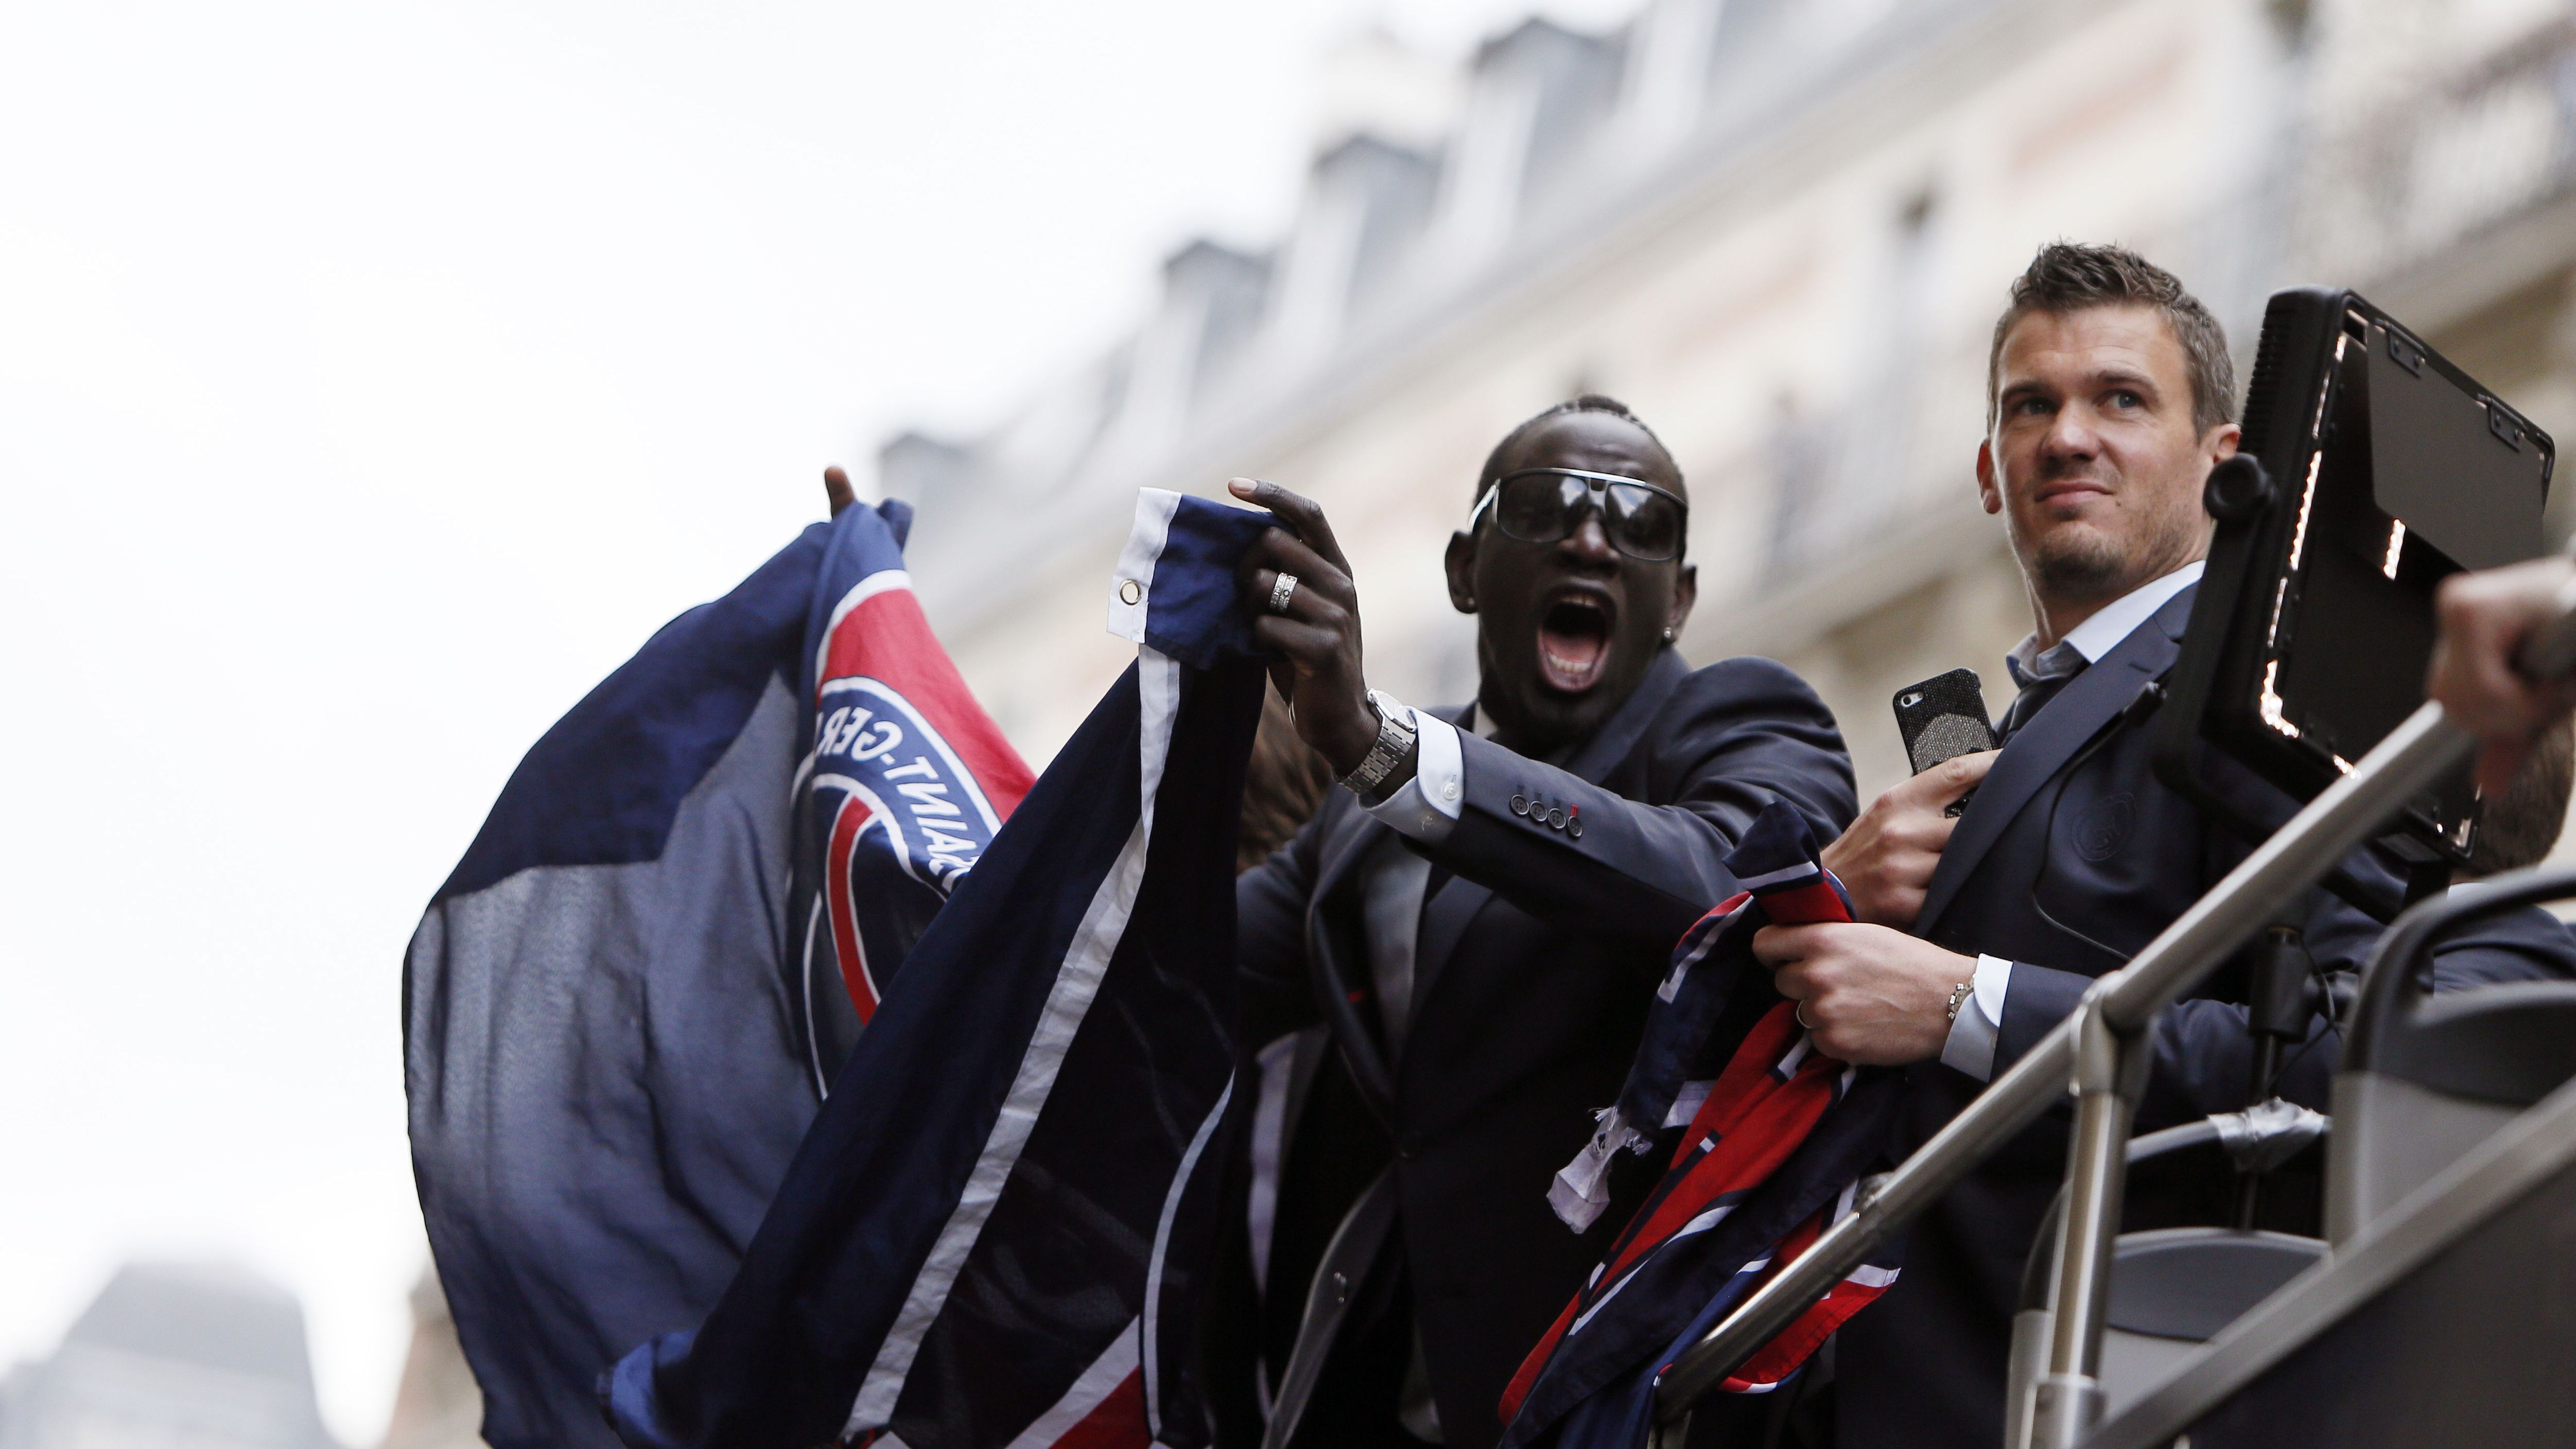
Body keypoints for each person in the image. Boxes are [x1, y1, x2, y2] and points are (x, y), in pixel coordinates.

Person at [1752, 244, 2576, 1449]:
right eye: (2031, 405)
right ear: (1987, 471)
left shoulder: (2273, 681)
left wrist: (1962, 1003)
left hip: (2109, 1390)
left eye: (2121, 399)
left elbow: (2349, 1049)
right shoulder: (2000, 736)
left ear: (2224, 463)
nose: (2068, 436)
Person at [1226, 397, 1859, 1448]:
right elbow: (1173, 971)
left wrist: (1388, 751)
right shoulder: (1354, 821)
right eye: (1545, 505)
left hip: (1643, 1404)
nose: (1591, 540)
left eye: (1641, 522)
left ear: (1679, 599)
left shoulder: (1747, 720)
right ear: (1465, 571)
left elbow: (1720, 891)